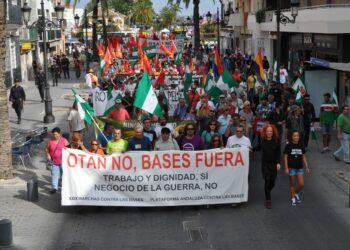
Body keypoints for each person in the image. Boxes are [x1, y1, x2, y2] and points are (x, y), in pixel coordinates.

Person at [284, 130, 310, 206]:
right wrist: (286, 168)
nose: (296, 137)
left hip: (299, 168)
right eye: (295, 136)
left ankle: (295, 193)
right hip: (291, 168)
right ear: (292, 137)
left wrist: (307, 166)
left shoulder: (301, 144)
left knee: (301, 184)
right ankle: (293, 198)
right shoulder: (289, 145)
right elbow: (285, 157)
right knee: (292, 184)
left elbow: (303, 156)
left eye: (297, 136)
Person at [260, 124, 281, 209]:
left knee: (273, 182)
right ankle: (268, 199)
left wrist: (278, 163)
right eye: (268, 131)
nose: (269, 132)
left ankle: (267, 191)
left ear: (273, 132)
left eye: (271, 131)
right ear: (265, 132)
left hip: (274, 163)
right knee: (267, 180)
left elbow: (278, 152)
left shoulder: (276, 140)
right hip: (265, 164)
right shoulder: (263, 140)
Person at [45, 127, 69, 194]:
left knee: (63, 174)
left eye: (56, 134)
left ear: (59, 134)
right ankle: (54, 188)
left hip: (63, 162)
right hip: (54, 161)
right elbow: (46, 149)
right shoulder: (50, 141)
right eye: (53, 134)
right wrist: (48, 155)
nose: (55, 136)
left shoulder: (64, 140)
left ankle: (62, 184)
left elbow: (69, 149)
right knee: (54, 174)